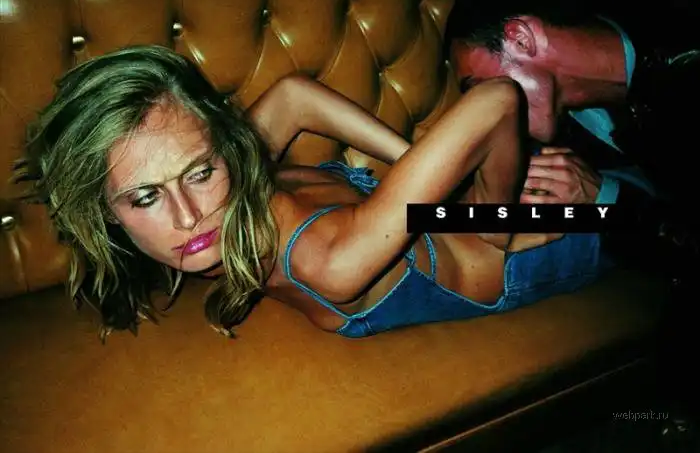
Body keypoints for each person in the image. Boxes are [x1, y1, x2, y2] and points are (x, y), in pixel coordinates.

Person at [15, 45, 611, 339]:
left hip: (552, 230)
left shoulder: (236, 165)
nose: (190, 217)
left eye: (198, 173)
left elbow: (294, 96)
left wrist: (463, 193)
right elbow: (494, 101)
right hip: (533, 248)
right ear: (104, 212)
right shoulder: (329, 263)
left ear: (225, 147)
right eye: (145, 197)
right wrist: (467, 197)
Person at [444, 0, 699, 209]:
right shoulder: (569, 133)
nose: (486, 109)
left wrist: (610, 199)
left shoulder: (682, 42)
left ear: (521, 39)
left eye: (480, 88)